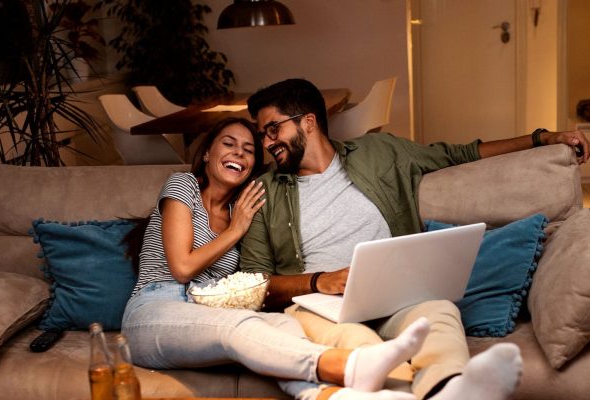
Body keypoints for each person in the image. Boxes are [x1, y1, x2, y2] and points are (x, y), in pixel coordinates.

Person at [240, 78, 590, 400]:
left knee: (439, 313)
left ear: (309, 121)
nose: (266, 143)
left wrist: (543, 139)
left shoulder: (379, 152)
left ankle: (451, 388)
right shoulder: (264, 192)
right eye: (262, 134)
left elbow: (459, 154)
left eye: (272, 129)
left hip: (395, 296)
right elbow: (252, 286)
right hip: (321, 308)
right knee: (360, 344)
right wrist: (319, 281)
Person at [121, 117, 435, 400]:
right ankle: (349, 365)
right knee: (236, 326)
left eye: (248, 150)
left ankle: (336, 397)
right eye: (228, 144)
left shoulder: (242, 208)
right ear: (206, 154)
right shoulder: (183, 185)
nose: (238, 154)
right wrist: (235, 230)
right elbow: (182, 268)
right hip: (153, 310)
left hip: (206, 311)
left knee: (284, 325)